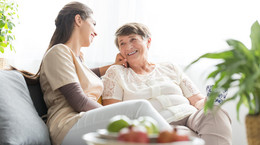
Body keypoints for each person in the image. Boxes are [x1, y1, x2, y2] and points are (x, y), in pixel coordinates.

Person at [25, 2, 173, 145]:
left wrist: (114, 66)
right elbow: (79, 101)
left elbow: (86, 75)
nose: (96, 32)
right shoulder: (58, 52)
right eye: (93, 23)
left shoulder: (78, 58)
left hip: (84, 121)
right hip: (68, 126)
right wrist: (118, 114)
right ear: (78, 20)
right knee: (139, 108)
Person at [102, 22, 232, 145]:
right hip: (159, 124)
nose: (128, 46)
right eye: (122, 43)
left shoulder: (170, 67)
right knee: (185, 135)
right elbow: (114, 114)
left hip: (190, 116)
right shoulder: (116, 73)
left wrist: (211, 99)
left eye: (133, 39)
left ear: (148, 41)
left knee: (215, 113)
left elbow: (197, 101)